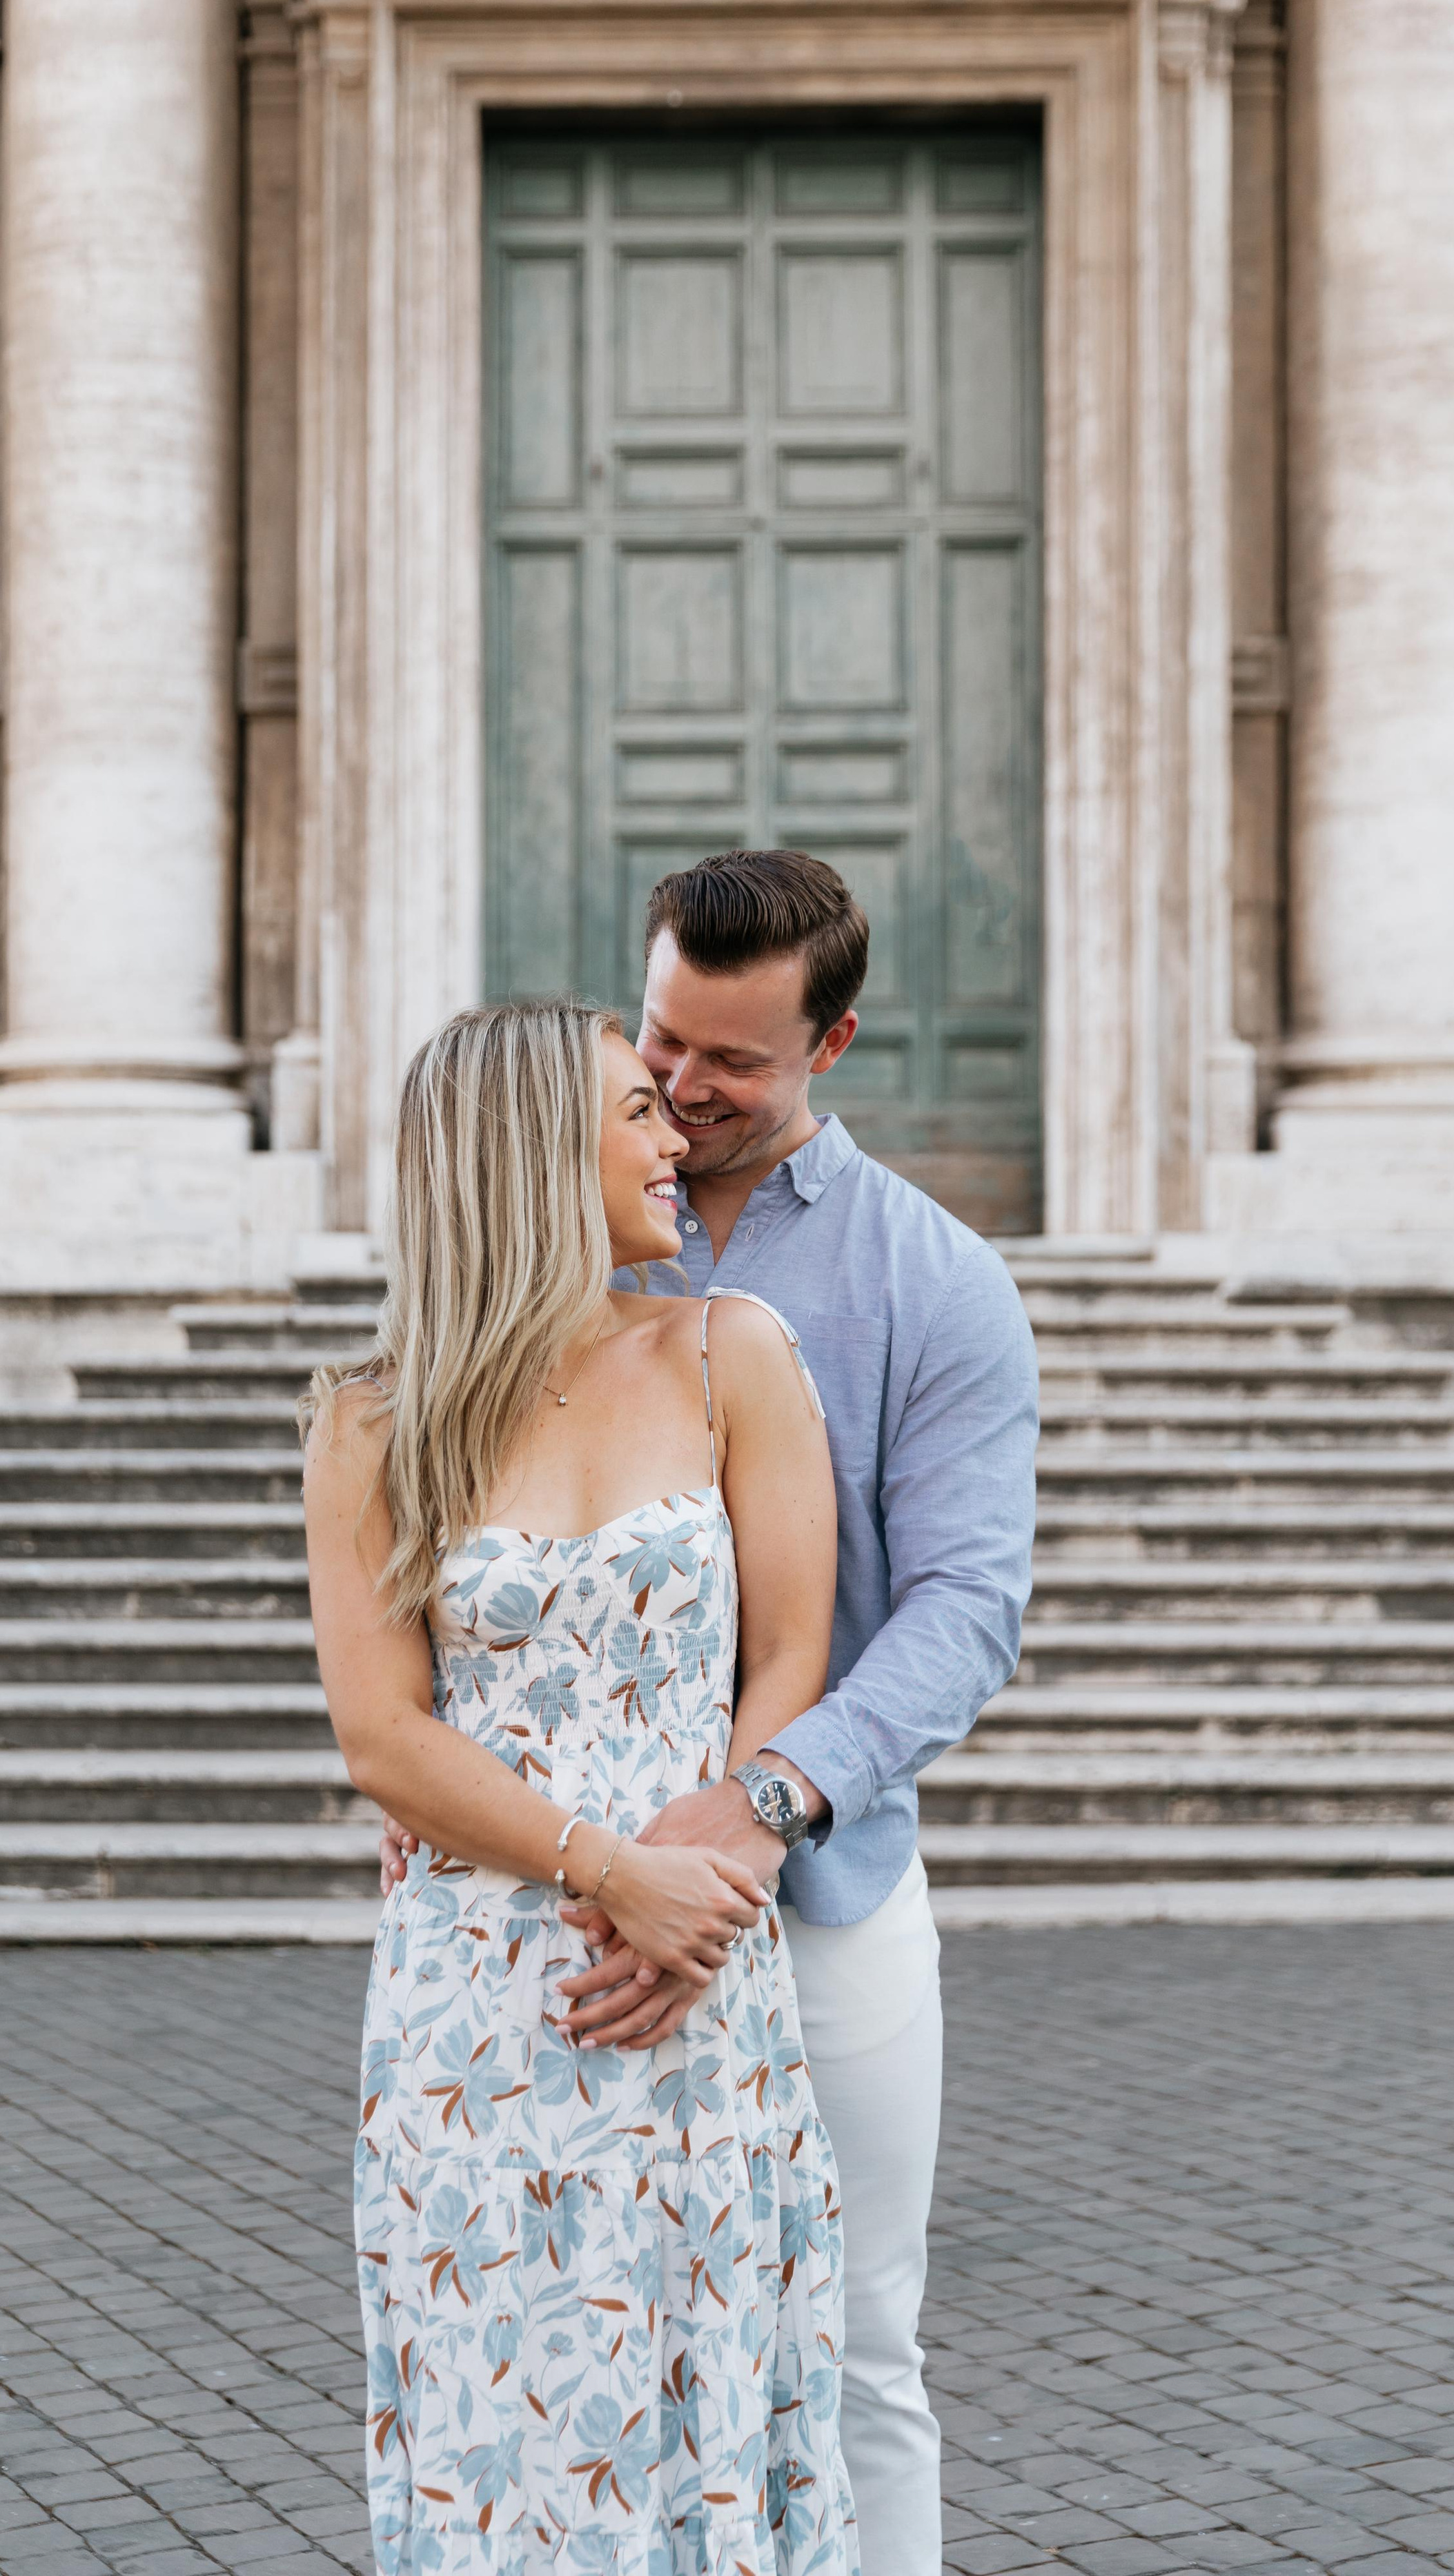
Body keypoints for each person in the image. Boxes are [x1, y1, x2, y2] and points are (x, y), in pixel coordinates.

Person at [383, 852, 1039, 2576]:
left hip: (813, 1897)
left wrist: (755, 1810)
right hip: (549, 1908)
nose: (679, 1093)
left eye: (729, 1064)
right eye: (660, 1042)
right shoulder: (542, 1246)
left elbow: (966, 1613)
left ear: (826, 1047)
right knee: (562, 2337)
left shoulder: (935, 1284)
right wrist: (457, 1757)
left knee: (852, 2347)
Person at [304, 996, 859, 2576]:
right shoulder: (368, 1423)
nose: (676, 1135)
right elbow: (384, 1738)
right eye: (633, 1112)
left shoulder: (725, 1349)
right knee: (502, 2425)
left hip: (694, 1957)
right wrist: (608, 1871)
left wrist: (714, 1869)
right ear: (532, 1149)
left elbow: (794, 1645)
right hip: (482, 1998)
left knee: (707, 2391)